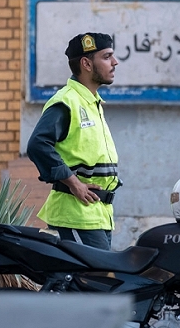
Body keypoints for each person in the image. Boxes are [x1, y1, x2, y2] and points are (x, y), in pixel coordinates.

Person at [27, 32, 121, 250]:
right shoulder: (66, 101)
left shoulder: (91, 102)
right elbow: (38, 145)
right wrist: (74, 183)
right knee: (89, 281)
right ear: (87, 63)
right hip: (76, 214)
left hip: (97, 213)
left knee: (93, 281)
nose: (115, 62)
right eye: (107, 57)